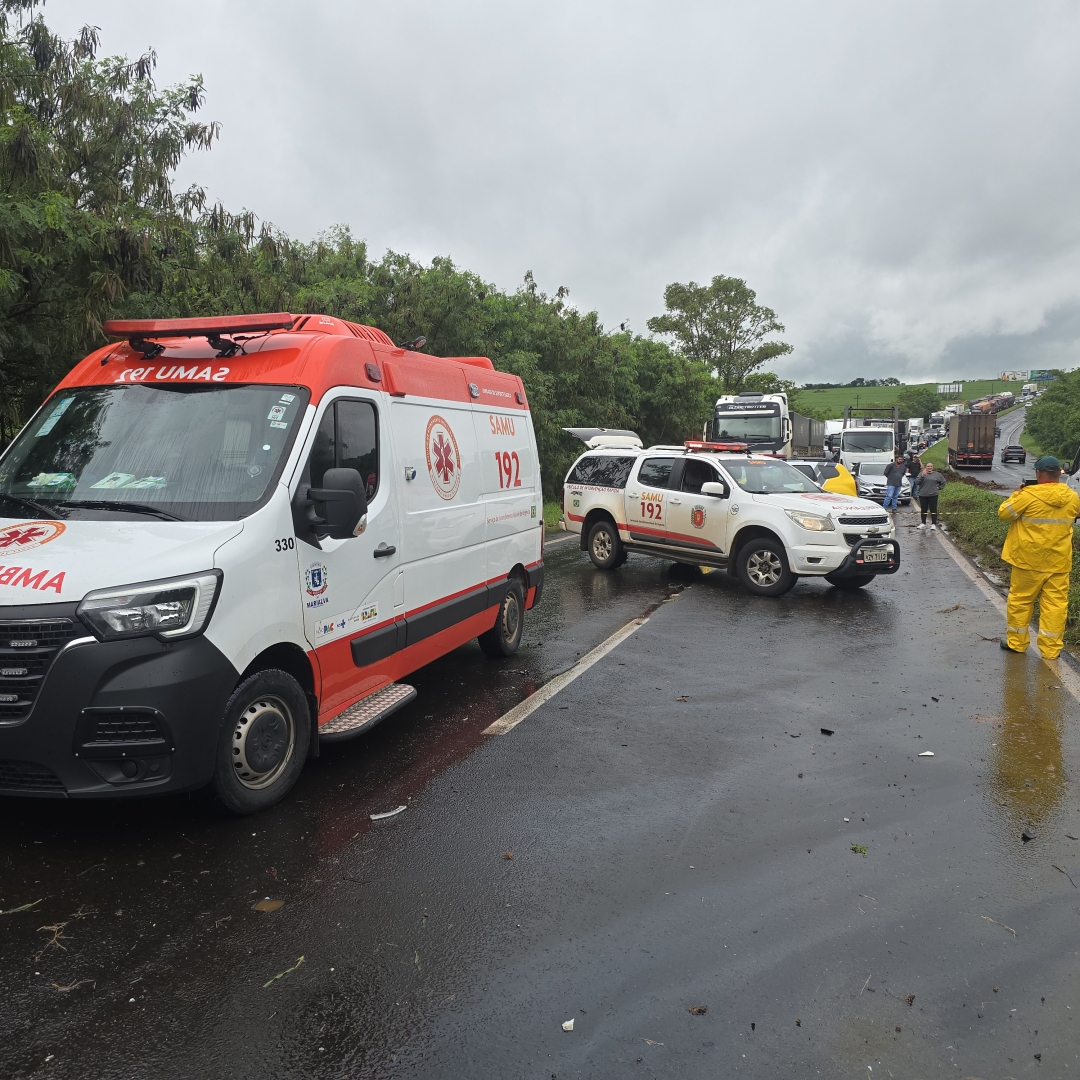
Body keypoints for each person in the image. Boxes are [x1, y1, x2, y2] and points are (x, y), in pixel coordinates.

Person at [997, 455, 1080, 658]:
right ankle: (1051, 650)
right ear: (1059, 474)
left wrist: (1016, 494)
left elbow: (1004, 513)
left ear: (1038, 473)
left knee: (1021, 602)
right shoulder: (1072, 497)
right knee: (1055, 605)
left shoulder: (1027, 495)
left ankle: (1017, 643)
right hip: (1058, 562)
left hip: (1027, 560)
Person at [915, 463, 946, 530]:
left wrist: (940, 487)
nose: (929, 467)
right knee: (924, 509)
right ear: (926, 467)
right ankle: (923, 523)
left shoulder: (937, 474)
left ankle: (933, 524)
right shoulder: (921, 473)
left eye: (931, 466)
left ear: (933, 467)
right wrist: (922, 476)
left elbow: (943, 481)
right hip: (923, 494)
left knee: (933, 509)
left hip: (933, 495)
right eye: (928, 466)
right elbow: (916, 482)